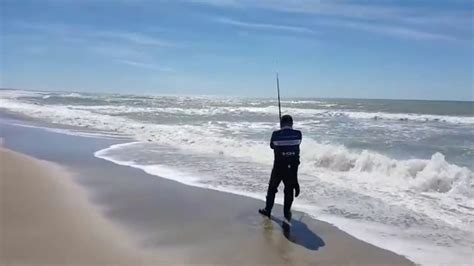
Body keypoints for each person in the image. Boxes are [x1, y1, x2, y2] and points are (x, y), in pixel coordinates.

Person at [259, 114, 302, 228]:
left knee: (272, 189)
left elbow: (272, 146)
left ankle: (268, 210)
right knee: (289, 191)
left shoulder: (276, 134)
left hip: (278, 167)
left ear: (281, 124)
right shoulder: (298, 134)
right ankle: (287, 213)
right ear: (291, 124)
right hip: (292, 168)